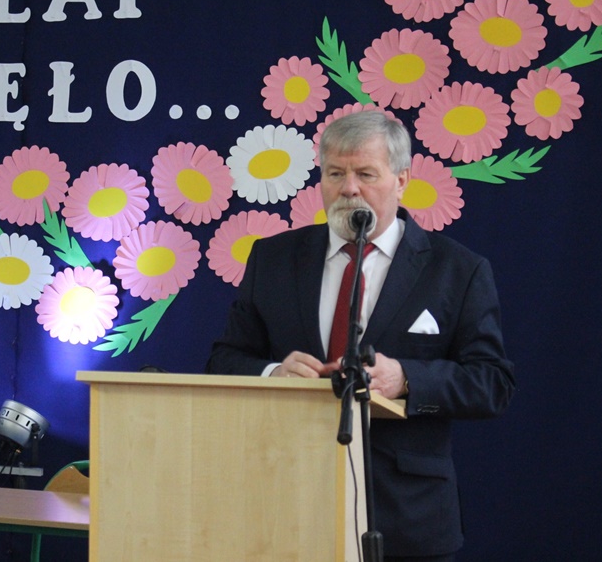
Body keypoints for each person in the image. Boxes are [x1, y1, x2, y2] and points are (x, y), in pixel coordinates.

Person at [206, 110, 515, 561]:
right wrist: (272, 374)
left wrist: (406, 378)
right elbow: (223, 360)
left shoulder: (457, 270)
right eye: (335, 173)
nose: (348, 188)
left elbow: (492, 383)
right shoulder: (272, 259)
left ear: (401, 180)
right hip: (281, 504)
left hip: (405, 517)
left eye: (366, 174)